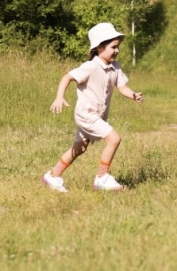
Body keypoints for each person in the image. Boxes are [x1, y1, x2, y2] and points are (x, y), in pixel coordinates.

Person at [42, 22, 143, 192]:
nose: (117, 50)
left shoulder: (115, 67)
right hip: (86, 114)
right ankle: (102, 177)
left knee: (79, 148)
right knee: (114, 139)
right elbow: (67, 77)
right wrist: (60, 96)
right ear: (99, 48)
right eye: (113, 47)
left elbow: (122, 87)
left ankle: (52, 175)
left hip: (97, 116)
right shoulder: (90, 67)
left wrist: (133, 95)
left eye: (118, 47)